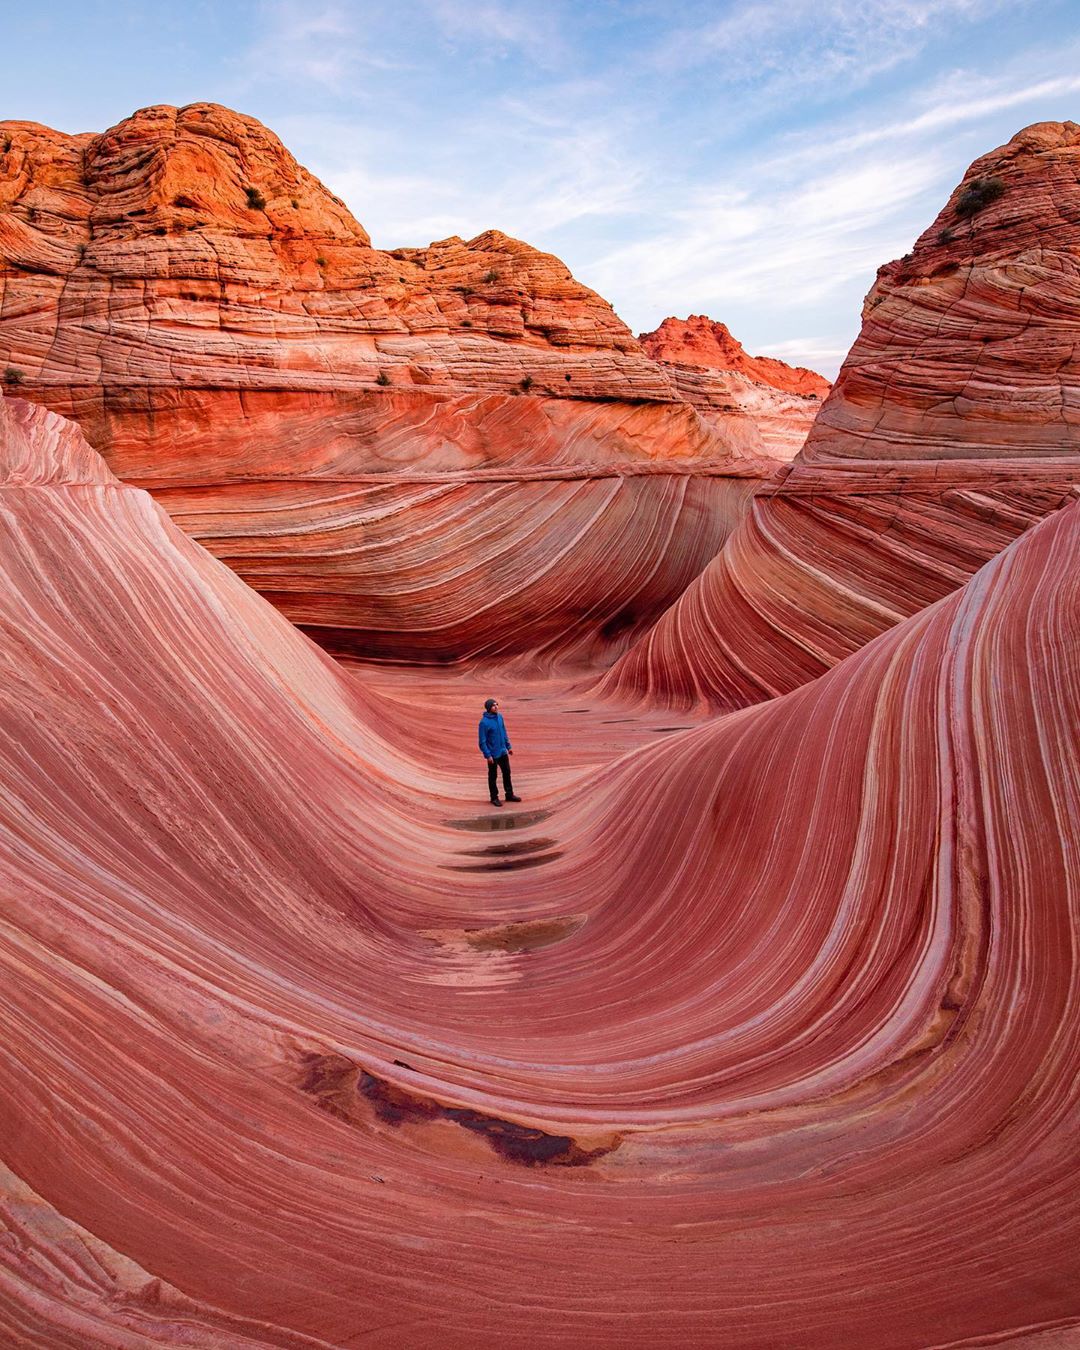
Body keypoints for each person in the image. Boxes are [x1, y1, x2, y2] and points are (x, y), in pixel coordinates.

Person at [478, 697, 521, 807]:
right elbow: (482, 741)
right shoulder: (484, 723)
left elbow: (504, 732)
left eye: (497, 705)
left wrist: (508, 746)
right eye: (493, 705)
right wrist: (487, 755)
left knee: (507, 772)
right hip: (492, 754)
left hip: (502, 751)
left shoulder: (500, 717)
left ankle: (509, 794)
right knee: (493, 776)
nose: (496, 707)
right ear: (488, 708)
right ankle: (494, 797)